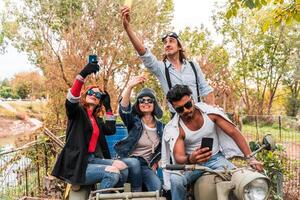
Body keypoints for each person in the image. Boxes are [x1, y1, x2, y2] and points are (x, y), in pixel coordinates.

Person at [161, 84, 263, 200]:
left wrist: (250, 158)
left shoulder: (210, 113)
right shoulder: (176, 127)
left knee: (238, 179)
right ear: (174, 109)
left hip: (216, 159)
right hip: (191, 165)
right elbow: (178, 156)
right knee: (176, 179)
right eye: (180, 109)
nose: (186, 110)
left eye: (188, 105)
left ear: (192, 99)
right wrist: (191, 158)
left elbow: (234, 132)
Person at [120, 6, 215, 115]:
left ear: (179, 47)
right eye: (165, 42)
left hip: (197, 114)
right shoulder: (161, 68)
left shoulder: (193, 66)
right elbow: (143, 52)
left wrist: (211, 114)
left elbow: (206, 90)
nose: (167, 44)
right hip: (177, 116)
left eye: (171, 41)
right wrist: (127, 27)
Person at [51, 62, 128, 190]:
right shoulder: (77, 112)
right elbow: (71, 99)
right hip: (78, 165)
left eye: (98, 95)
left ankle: (109, 196)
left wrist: (108, 107)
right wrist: (83, 74)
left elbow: (111, 130)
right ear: (86, 95)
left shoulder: (96, 119)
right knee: (112, 173)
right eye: (91, 92)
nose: (94, 95)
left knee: (123, 167)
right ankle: (99, 195)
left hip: (93, 159)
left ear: (99, 102)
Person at [114, 76, 163, 192]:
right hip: (128, 161)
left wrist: (156, 162)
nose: (145, 103)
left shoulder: (161, 127)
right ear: (138, 104)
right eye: (142, 100)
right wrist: (130, 86)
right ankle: (137, 192)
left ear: (154, 103)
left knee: (157, 187)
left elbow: (164, 148)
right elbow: (124, 109)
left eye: (149, 100)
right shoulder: (134, 121)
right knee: (135, 162)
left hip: (145, 165)